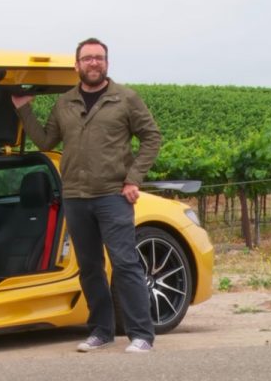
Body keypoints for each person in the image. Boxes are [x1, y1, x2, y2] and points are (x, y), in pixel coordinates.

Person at [11, 38, 161, 353]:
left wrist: (133, 179)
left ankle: (142, 335)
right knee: (90, 266)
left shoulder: (126, 98)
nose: (94, 63)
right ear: (76, 65)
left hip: (112, 195)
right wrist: (23, 109)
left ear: (106, 63)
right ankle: (101, 331)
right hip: (76, 197)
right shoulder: (65, 103)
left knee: (124, 262)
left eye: (99, 58)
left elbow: (151, 137)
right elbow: (46, 141)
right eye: (88, 58)